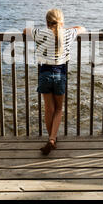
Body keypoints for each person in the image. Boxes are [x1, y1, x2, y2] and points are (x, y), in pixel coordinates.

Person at [23, 8, 86, 155]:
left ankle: (51, 139)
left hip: (44, 73)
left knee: (48, 109)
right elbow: (82, 28)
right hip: (60, 74)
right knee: (58, 109)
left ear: (47, 22)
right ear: (62, 22)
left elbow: (25, 30)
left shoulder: (40, 33)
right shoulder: (68, 33)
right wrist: (68, 27)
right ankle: (52, 139)